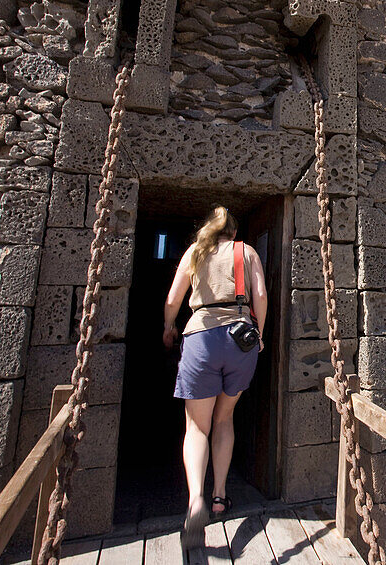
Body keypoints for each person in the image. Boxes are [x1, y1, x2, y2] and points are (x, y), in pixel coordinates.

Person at [163, 206, 267, 545]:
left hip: (201, 336)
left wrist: (168, 327)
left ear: (208, 230)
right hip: (240, 340)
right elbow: (261, 295)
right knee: (224, 420)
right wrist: (259, 334)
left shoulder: (195, 252)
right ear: (233, 233)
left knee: (197, 427)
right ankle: (220, 496)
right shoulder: (245, 251)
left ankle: (196, 502)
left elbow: (173, 298)